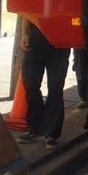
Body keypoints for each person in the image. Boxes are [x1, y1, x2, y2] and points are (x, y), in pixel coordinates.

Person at [17, 20, 70, 149]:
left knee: (55, 90)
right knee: (30, 86)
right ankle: (35, 128)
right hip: (35, 44)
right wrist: (24, 34)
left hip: (60, 46)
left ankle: (52, 133)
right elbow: (27, 11)